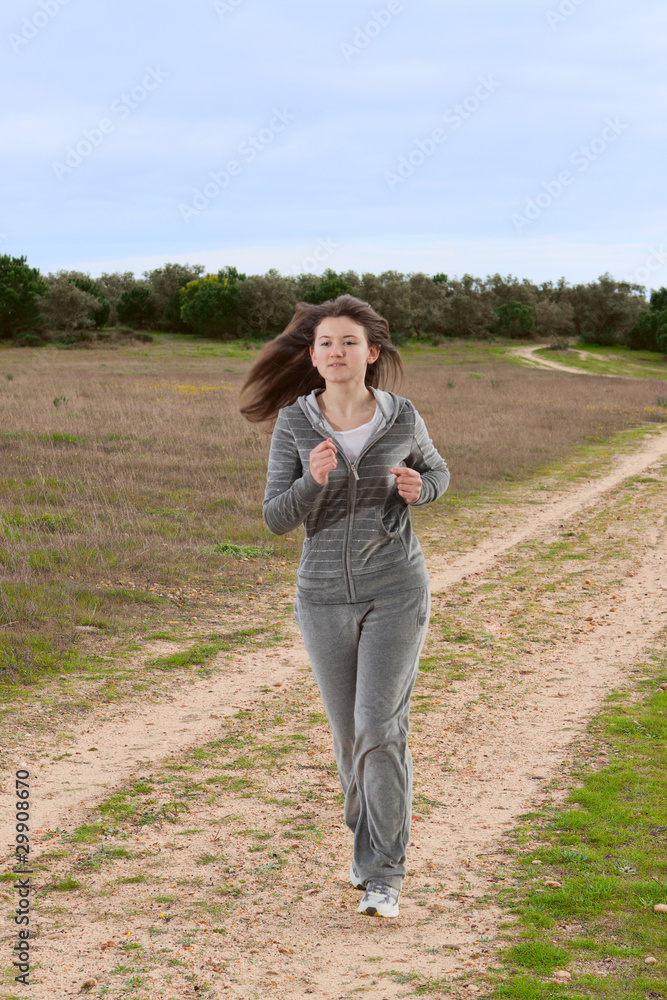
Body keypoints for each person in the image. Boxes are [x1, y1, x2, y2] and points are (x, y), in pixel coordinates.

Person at [239, 294, 449, 918]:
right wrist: (313, 480)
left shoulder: (403, 417)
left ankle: (385, 874)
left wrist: (421, 487)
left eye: (350, 343)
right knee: (350, 733)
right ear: (313, 355)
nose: (337, 352)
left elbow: (437, 474)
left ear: (370, 353)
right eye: (326, 343)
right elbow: (277, 518)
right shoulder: (295, 424)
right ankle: (368, 850)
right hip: (323, 595)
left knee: (380, 729)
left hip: (396, 588)